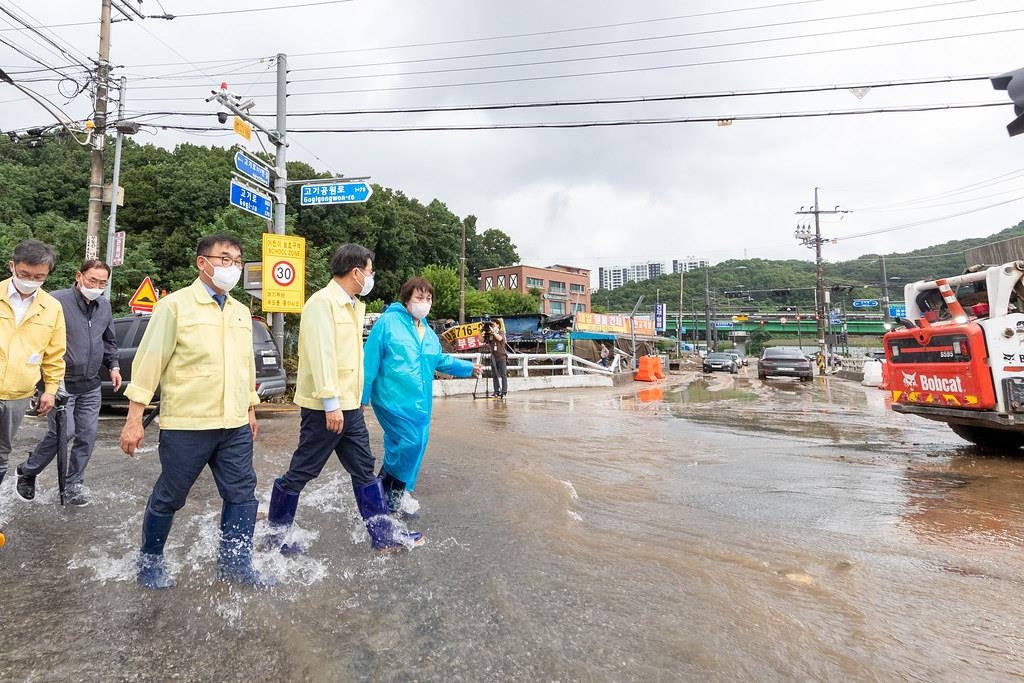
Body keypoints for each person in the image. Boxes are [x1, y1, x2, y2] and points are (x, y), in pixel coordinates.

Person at [118, 234, 271, 589]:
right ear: (202, 262)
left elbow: (245, 365)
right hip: (188, 423)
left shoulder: (240, 311)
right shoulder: (174, 306)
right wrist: (133, 419)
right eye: (224, 258)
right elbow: (149, 362)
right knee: (170, 495)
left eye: (236, 260)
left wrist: (250, 408)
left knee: (242, 494)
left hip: (233, 422)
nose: (231, 266)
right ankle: (150, 560)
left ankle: (235, 564)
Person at [263, 244, 424, 554]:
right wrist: (330, 403)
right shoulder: (321, 303)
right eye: (370, 272)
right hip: (326, 408)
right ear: (355, 272)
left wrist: (355, 399)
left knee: (364, 468)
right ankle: (277, 536)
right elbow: (321, 356)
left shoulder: (350, 305)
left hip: (349, 407)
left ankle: (382, 535)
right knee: (303, 470)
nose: (371, 277)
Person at [361, 276, 482, 517]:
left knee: (413, 447)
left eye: (428, 298)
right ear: (407, 299)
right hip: (391, 398)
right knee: (409, 442)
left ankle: (388, 495)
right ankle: (388, 494)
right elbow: (369, 360)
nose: (424, 302)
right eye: (419, 297)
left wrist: (468, 368)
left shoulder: (427, 331)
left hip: (420, 404)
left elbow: (440, 360)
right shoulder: (387, 323)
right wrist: (362, 398)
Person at [16, 259, 121, 507]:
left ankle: (74, 484)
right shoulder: (56, 302)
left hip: (91, 385)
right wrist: (44, 382)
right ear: (79, 276)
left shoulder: (104, 307)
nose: (96, 286)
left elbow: (109, 341)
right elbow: (37, 339)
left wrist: (114, 366)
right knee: (64, 432)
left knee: (87, 435)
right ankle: (28, 471)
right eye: (92, 280)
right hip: (59, 382)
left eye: (102, 283)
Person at [0, 240, 66, 491]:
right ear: (12, 266)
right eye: (25, 274)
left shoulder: (51, 308)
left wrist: (50, 390)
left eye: (39, 276)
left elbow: (54, 355)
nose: (31, 280)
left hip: (18, 394)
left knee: (1, 455)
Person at [488, 320, 508, 397]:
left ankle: (504, 391)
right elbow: (482, 340)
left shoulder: (501, 332)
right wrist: (481, 332)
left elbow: (499, 338)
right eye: (491, 326)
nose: (492, 327)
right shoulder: (491, 334)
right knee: (494, 374)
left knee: (503, 374)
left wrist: (494, 332)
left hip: (501, 356)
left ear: (498, 326)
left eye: (494, 325)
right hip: (493, 356)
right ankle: (496, 391)